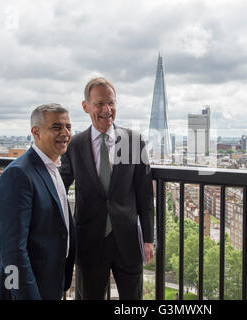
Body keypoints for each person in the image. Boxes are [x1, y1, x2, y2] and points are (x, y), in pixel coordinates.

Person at [60, 77, 154, 300]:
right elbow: (60, 184)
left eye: (111, 103)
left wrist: (148, 239)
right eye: (99, 103)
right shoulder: (75, 145)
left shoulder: (133, 141)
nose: (106, 109)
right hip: (90, 240)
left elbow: (144, 193)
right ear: (86, 107)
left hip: (128, 240)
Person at [0, 104, 75, 300]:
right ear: (36, 132)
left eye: (68, 126)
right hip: (27, 289)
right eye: (56, 127)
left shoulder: (53, 167)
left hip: (50, 282)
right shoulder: (18, 174)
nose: (65, 132)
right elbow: (12, 251)